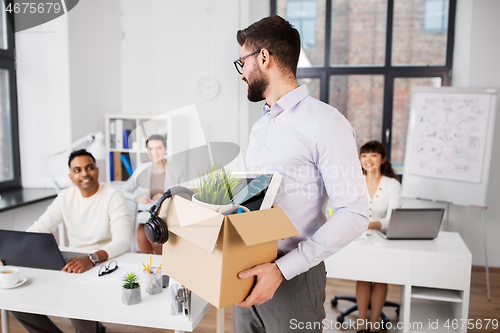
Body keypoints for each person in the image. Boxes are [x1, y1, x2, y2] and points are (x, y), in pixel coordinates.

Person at [233, 15, 369, 332]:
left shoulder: (325, 123)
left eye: (242, 63)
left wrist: (282, 269)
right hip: (246, 266)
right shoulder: (260, 127)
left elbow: (355, 213)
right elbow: (259, 199)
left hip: (293, 275)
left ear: (263, 57)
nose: (241, 75)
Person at [11, 149, 132, 333]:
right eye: (78, 170)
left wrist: (91, 259)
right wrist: (11, 252)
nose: (84, 173)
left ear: (97, 171)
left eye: (89, 168)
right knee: (17, 300)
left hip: (102, 262)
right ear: (71, 176)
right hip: (72, 263)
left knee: (80, 313)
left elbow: (123, 240)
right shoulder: (65, 197)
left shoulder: (113, 196)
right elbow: (39, 228)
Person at [356, 140, 401, 333]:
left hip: (383, 239)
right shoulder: (355, 182)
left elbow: (394, 219)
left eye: (373, 155)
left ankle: (374, 323)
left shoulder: (392, 185)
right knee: (363, 276)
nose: (368, 159)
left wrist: (369, 224)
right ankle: (362, 322)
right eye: (364, 155)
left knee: (381, 277)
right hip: (357, 239)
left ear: (382, 159)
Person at [121, 134, 184, 254]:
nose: (154, 152)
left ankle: (163, 266)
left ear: (165, 149)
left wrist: (165, 198)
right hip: (146, 216)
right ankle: (149, 268)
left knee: (156, 241)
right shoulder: (141, 169)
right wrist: (136, 197)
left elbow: (184, 194)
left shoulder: (177, 170)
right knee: (141, 234)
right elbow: (123, 191)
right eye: (151, 148)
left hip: (166, 217)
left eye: (159, 148)